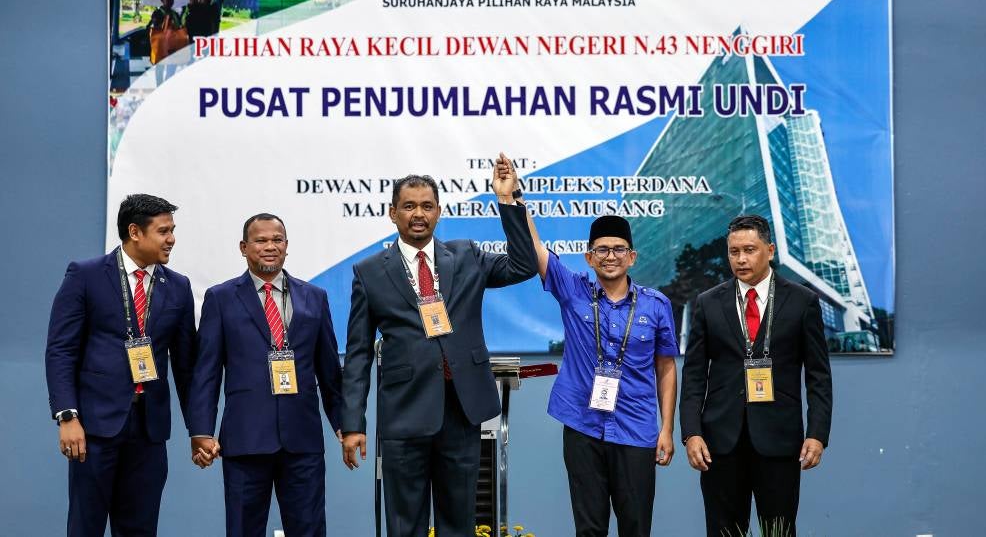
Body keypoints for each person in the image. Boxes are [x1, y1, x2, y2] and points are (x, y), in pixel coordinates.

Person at [340, 165, 536, 537]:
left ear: (439, 211)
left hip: (461, 412)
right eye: (409, 206)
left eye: (427, 206)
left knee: (459, 526)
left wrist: (507, 200)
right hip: (404, 414)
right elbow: (358, 354)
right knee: (405, 527)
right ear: (392, 213)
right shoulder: (368, 272)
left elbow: (523, 265)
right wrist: (352, 424)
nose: (419, 214)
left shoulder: (466, 256)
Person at [520, 184, 679, 537]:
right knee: (589, 528)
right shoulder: (573, 290)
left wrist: (666, 428)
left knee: (636, 527)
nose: (611, 256)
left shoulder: (656, 305)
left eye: (619, 249)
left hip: (636, 428)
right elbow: (536, 249)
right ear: (589, 257)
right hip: (582, 425)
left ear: (632, 256)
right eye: (602, 250)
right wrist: (515, 199)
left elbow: (666, 368)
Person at [45, 194, 196, 537]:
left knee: (141, 530)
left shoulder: (179, 287)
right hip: (94, 428)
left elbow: (187, 366)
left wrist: (198, 429)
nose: (171, 238)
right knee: (86, 528)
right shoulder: (85, 275)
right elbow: (60, 350)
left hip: (149, 431)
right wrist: (67, 416)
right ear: (135, 232)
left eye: (172, 230)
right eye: (163, 231)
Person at [187, 213, 343, 537]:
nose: (270, 246)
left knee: (310, 530)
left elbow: (329, 372)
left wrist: (345, 423)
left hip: (303, 441)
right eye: (261, 240)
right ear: (244, 247)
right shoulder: (221, 298)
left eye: (277, 240)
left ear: (287, 246)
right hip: (245, 440)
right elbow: (206, 372)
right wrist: (201, 430)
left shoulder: (315, 297)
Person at [679, 214, 833, 537]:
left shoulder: (803, 302)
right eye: (734, 252)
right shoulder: (707, 304)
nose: (741, 259)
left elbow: (818, 376)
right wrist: (691, 433)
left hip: (779, 441)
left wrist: (817, 434)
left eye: (749, 249)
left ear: (771, 250)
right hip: (719, 444)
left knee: (778, 531)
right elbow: (694, 376)